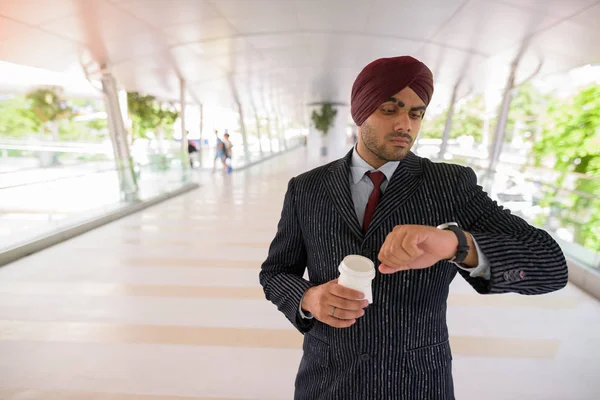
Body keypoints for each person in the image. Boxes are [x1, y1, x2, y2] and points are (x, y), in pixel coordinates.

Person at [259, 56, 568, 400]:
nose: (405, 124)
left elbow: (552, 266)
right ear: (361, 111)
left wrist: (457, 245)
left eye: (416, 113)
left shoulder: (450, 185)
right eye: (390, 110)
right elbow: (275, 273)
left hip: (416, 384)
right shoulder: (307, 188)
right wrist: (308, 297)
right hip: (326, 381)